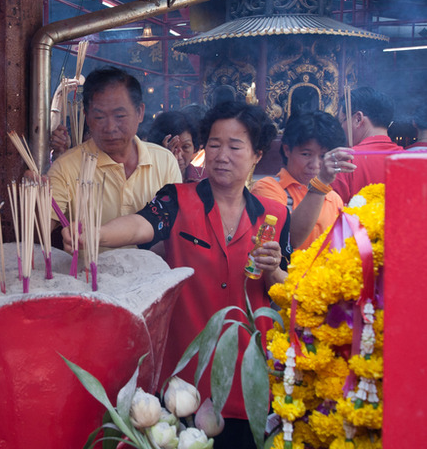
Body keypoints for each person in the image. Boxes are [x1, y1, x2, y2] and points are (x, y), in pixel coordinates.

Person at [66, 99, 290, 449]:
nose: (221, 155)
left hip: (253, 379)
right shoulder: (177, 199)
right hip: (185, 379)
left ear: (257, 154)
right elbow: (143, 225)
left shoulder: (275, 214)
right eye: (214, 144)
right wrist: (96, 234)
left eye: (235, 146)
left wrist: (274, 269)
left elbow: (289, 289)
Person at [48, 67, 182, 229]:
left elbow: (174, 225)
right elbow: (41, 231)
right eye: (99, 117)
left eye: (119, 116)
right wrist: (37, 199)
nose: (110, 127)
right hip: (91, 256)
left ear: (139, 112)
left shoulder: (165, 161)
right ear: (87, 117)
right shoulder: (66, 167)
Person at [252, 111, 347, 249]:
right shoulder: (267, 188)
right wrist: (320, 185)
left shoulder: (333, 199)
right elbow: (289, 240)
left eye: (323, 156)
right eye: (306, 154)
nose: (315, 165)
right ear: (287, 150)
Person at [332, 87, 403, 203]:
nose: (341, 128)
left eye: (341, 122)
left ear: (358, 119)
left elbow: (330, 214)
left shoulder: (344, 162)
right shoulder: (409, 160)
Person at [145, 111, 199, 182]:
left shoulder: (204, 178)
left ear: (194, 147)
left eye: (185, 147)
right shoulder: (147, 178)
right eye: (173, 147)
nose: (178, 156)